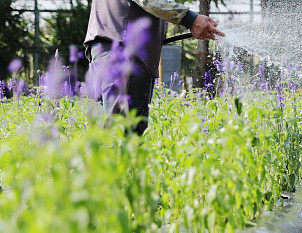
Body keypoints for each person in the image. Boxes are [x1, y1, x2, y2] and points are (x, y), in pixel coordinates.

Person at [84, 0, 225, 135]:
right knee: (125, 135)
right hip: (125, 55)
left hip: (111, 53)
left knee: (116, 130)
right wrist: (191, 19)